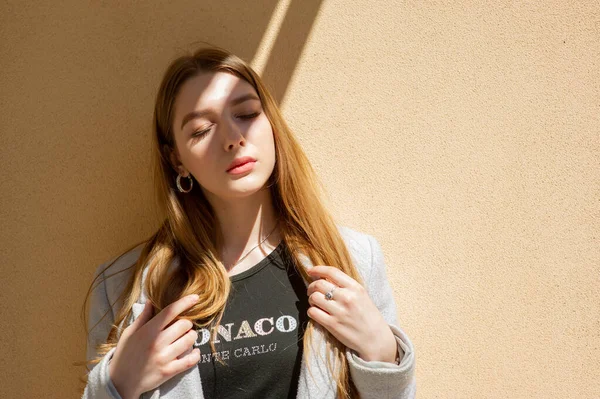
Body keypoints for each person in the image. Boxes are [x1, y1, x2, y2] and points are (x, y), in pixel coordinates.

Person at [82, 46, 416, 399]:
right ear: (177, 159)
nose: (232, 138)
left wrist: (381, 354)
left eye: (246, 113)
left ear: (271, 123)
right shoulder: (122, 287)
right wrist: (117, 385)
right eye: (200, 130)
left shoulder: (353, 258)